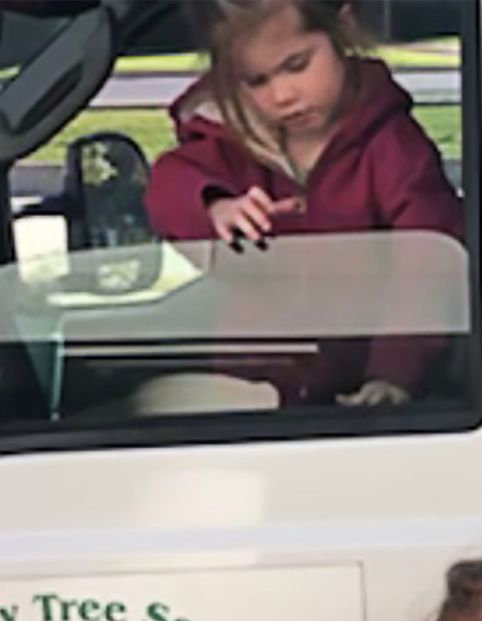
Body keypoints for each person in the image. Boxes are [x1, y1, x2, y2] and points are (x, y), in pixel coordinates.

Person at [143, 0, 463, 408]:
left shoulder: (392, 147)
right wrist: (215, 205)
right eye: (256, 80)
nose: (282, 95)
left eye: (297, 65)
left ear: (341, 30)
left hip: (359, 388)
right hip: (251, 383)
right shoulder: (230, 142)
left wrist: (395, 373)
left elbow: (426, 267)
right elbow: (169, 186)